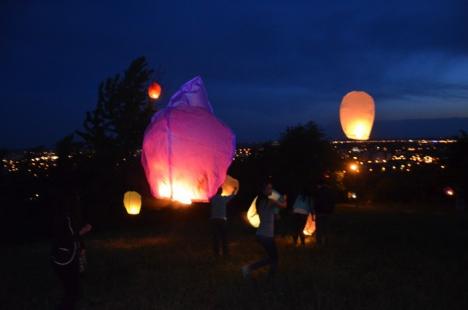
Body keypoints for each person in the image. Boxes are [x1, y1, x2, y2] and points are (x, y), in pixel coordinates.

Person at [51, 187, 92, 310]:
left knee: (74, 288)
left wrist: (82, 247)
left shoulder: (68, 217)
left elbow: (73, 235)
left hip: (67, 256)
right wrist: (83, 231)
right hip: (64, 258)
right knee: (71, 291)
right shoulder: (62, 219)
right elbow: (66, 238)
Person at [242, 181, 287, 278]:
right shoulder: (269, 201)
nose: (271, 190)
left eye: (271, 188)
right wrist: (283, 198)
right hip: (266, 235)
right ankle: (249, 268)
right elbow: (284, 205)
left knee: (272, 257)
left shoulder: (261, 202)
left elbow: (272, 213)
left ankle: (268, 275)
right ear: (264, 191)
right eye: (268, 189)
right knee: (273, 258)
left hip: (263, 234)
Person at [210, 186, 238, 256]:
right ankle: (225, 253)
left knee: (216, 237)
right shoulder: (224, 199)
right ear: (221, 192)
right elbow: (232, 196)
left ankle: (216, 254)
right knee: (224, 237)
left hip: (214, 220)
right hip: (222, 220)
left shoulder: (212, 198)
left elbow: (207, 196)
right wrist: (234, 190)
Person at [314, 176, 335, 246]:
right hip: (328, 212)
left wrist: (314, 210)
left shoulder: (318, 191)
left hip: (319, 211)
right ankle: (326, 242)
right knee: (327, 227)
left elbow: (316, 202)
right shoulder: (330, 191)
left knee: (319, 227)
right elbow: (332, 201)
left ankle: (319, 242)